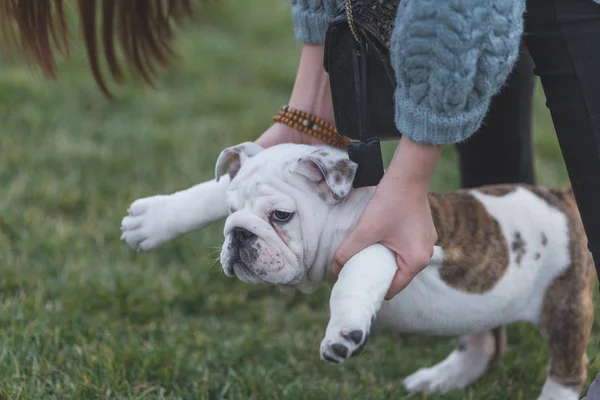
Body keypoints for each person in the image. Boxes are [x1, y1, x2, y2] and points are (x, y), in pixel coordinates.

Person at [2, 0, 599, 396]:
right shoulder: (295, 183)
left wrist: (411, 173)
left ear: (333, 182)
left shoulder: (339, 189)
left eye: (280, 217)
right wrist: (307, 102)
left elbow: (463, 14)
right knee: (491, 73)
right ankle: (482, 340)